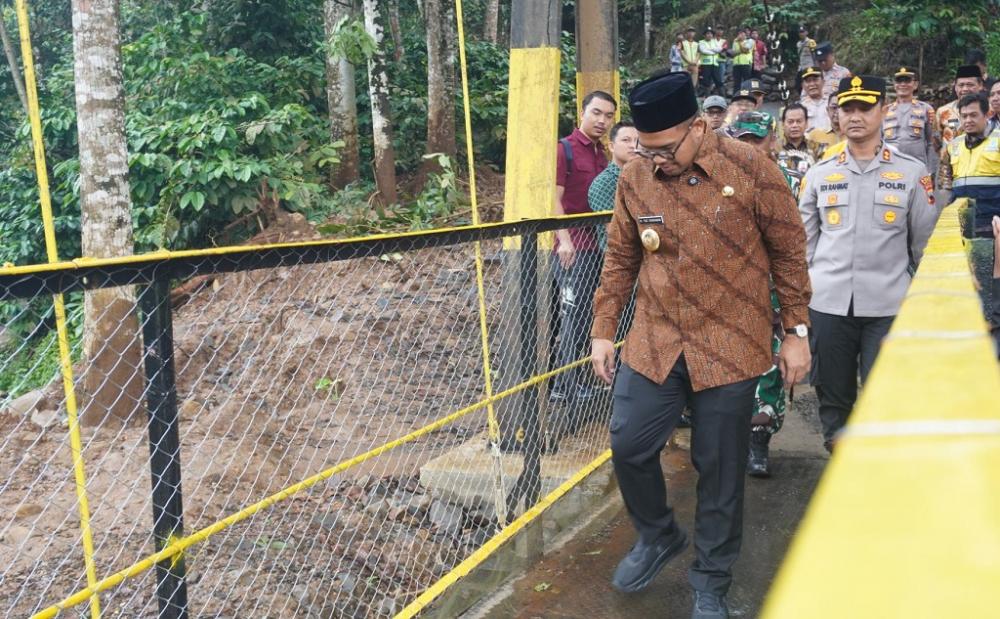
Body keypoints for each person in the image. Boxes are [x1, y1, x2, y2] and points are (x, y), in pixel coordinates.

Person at [592, 71, 811, 619]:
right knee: (629, 443)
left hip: (730, 343)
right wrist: (602, 329)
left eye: (665, 148)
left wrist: (796, 333)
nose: (655, 159)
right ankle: (659, 534)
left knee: (720, 469)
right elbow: (621, 257)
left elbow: (788, 255)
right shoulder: (636, 178)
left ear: (697, 127)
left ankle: (711, 582)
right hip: (655, 339)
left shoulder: (753, 169)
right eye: (645, 149)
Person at [799, 75, 937, 453]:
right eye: (848, 108)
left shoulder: (912, 173)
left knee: (884, 394)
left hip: (888, 305)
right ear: (838, 115)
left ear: (883, 110)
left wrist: (927, 308)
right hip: (828, 303)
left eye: (865, 107)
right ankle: (838, 457)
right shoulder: (819, 174)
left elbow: (923, 248)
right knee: (833, 394)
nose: (855, 116)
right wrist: (796, 309)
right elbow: (803, 248)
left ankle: (877, 468)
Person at [727, 111, 794, 477]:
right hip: (723, 291)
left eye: (757, 139)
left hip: (766, 290)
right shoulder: (711, 177)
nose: (749, 147)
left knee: (768, 369)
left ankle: (759, 444)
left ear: (771, 141)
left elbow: (790, 248)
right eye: (743, 139)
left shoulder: (781, 181)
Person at [551, 91, 614, 412]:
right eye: (596, 113)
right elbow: (554, 198)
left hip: (598, 246)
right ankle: (563, 386)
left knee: (589, 315)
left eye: (608, 116)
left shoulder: (603, 153)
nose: (602, 121)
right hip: (575, 248)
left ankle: (578, 380)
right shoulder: (566, 150)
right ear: (582, 112)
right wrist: (563, 240)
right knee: (572, 316)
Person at [939, 93, 1000, 236]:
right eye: (964, 116)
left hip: (993, 224)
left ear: (987, 115)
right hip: (961, 224)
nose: (968, 120)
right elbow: (945, 183)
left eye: (973, 115)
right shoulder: (954, 145)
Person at [589, 121, 639, 249]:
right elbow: (613, 230)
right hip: (618, 258)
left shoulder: (642, 178)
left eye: (637, 141)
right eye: (626, 140)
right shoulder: (605, 182)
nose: (634, 146)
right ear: (611, 146)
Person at [883, 67, 937, 171]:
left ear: (915, 85)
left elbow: (932, 143)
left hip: (917, 168)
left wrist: (930, 171)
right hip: (890, 168)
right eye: (899, 81)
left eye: (907, 80)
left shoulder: (926, 109)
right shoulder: (884, 111)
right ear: (895, 85)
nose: (903, 84)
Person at [777, 103, 820, 199]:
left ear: (806, 123)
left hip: (811, 198)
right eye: (790, 122)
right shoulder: (773, 149)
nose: (795, 125)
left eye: (799, 121)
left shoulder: (818, 148)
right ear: (783, 124)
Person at [936, 65, 984, 147]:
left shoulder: (991, 111)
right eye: (961, 85)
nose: (965, 89)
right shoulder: (943, 111)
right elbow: (936, 142)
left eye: (970, 85)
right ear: (955, 87)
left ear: (980, 85)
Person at [799, 66, 830, 132]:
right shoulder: (801, 107)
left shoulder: (831, 103)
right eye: (808, 81)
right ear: (803, 86)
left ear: (823, 82)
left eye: (815, 80)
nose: (812, 84)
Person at [698, 28, 725, 97]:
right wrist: (714, 51)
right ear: (704, 35)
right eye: (707, 33)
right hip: (706, 64)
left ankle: (722, 97)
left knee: (718, 80)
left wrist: (710, 50)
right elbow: (703, 51)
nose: (709, 35)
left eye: (711, 34)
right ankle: (707, 97)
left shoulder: (715, 41)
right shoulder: (701, 42)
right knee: (706, 81)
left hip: (715, 64)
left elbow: (720, 49)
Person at [730, 31, 754, 97]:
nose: (740, 36)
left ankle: (746, 97)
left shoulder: (750, 41)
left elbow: (745, 50)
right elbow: (733, 53)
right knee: (736, 83)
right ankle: (735, 97)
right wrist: (741, 51)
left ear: (745, 35)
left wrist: (740, 42)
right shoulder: (735, 41)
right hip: (736, 64)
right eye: (739, 34)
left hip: (746, 63)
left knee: (746, 82)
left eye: (742, 34)